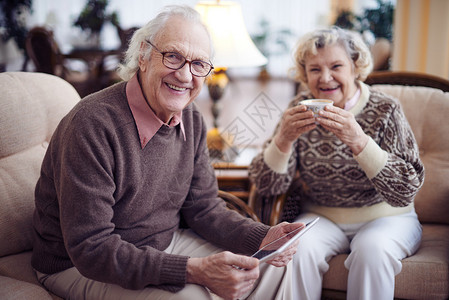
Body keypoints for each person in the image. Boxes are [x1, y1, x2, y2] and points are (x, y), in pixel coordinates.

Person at [31, 5, 303, 300]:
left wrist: (263, 237)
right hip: (74, 265)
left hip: (161, 243)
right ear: (144, 56)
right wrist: (193, 270)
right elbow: (91, 247)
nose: (185, 75)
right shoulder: (92, 125)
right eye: (173, 56)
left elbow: (204, 207)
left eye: (199, 64)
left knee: (274, 266)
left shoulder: (192, 118)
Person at [248, 26, 424, 300]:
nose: (325, 77)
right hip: (323, 216)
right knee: (297, 250)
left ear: (355, 67)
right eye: (315, 69)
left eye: (336, 66)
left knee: (372, 251)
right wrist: (283, 139)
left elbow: (405, 189)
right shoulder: (299, 107)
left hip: (387, 216)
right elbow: (267, 185)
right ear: (304, 75)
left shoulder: (385, 109)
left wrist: (359, 141)